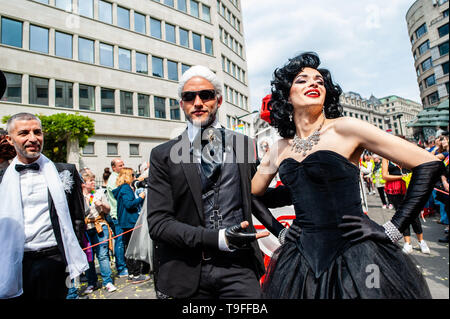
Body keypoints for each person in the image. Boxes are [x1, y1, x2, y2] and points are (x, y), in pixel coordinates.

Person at [251, 52, 443, 299]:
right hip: (300, 262)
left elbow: (427, 164)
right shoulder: (279, 148)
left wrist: (393, 229)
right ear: (286, 95)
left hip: (357, 255)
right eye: (302, 80)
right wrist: (279, 231)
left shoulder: (346, 128)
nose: (313, 83)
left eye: (319, 81)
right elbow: (253, 194)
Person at [146, 65, 296, 299]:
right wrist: (218, 239)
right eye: (189, 97)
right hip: (186, 272)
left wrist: (305, 188)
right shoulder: (163, 155)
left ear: (219, 99)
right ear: (181, 103)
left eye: (205, 95)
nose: (198, 102)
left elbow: (255, 194)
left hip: (239, 269)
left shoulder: (244, 144)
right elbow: (158, 224)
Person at [0, 112, 89, 299]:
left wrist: (69, 255)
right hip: (15, 261)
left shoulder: (65, 172)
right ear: (10, 139)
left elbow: (77, 217)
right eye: (24, 133)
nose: (33, 138)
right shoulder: (2, 178)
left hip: (55, 260)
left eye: (37, 132)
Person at [381, 157, 430, 254]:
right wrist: (401, 177)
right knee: (402, 215)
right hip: (395, 189)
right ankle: (407, 243)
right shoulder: (386, 158)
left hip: (410, 186)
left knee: (414, 214)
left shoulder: (404, 152)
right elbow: (384, 176)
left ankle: (421, 241)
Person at [81, 170, 117, 293]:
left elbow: (108, 210)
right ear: (83, 183)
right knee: (89, 257)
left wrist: (101, 204)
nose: (92, 182)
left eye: (93, 180)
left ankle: (108, 282)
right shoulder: (79, 196)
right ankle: (92, 282)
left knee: (102, 255)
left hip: (100, 226)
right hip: (86, 229)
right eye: (90, 180)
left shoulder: (98, 193)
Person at [112, 167, 150, 284]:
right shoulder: (125, 189)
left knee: (128, 247)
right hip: (130, 222)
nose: (134, 177)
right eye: (133, 175)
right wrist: (140, 198)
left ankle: (132, 273)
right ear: (128, 176)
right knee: (134, 248)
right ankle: (136, 274)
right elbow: (129, 205)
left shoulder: (121, 189)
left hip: (125, 222)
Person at [105, 158, 129, 278]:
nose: (122, 167)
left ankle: (123, 265)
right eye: (120, 165)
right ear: (113, 167)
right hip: (117, 215)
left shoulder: (117, 177)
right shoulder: (114, 179)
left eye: (123, 164)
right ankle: (121, 268)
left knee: (121, 241)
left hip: (117, 214)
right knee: (120, 241)